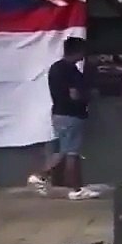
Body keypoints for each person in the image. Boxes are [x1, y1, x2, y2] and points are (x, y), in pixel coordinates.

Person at [28, 37, 100, 199]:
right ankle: (72, 188)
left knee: (64, 150)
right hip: (71, 114)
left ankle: (59, 182)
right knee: (71, 153)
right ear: (78, 51)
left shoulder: (56, 68)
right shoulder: (70, 70)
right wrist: (90, 95)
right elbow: (74, 95)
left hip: (59, 113)